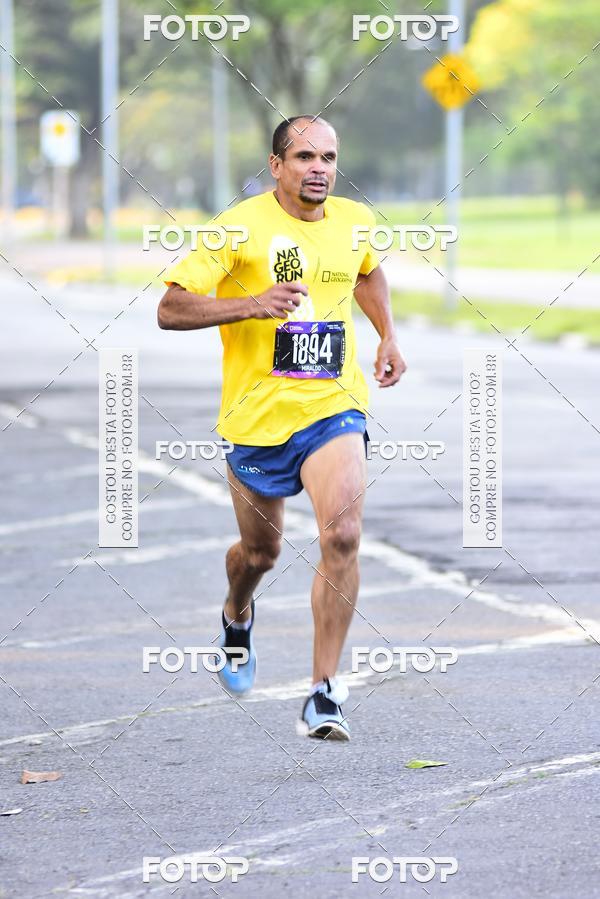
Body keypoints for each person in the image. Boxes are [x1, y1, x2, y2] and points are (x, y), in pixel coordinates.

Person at [158, 115, 406, 741]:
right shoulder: (239, 227)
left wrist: (387, 335)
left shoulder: (354, 219)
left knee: (343, 535)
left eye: (327, 156)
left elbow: (367, 271)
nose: (318, 167)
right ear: (277, 165)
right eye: (303, 157)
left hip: (333, 404)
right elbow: (170, 307)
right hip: (256, 418)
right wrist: (252, 303)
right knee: (260, 554)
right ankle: (236, 613)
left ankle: (324, 692)